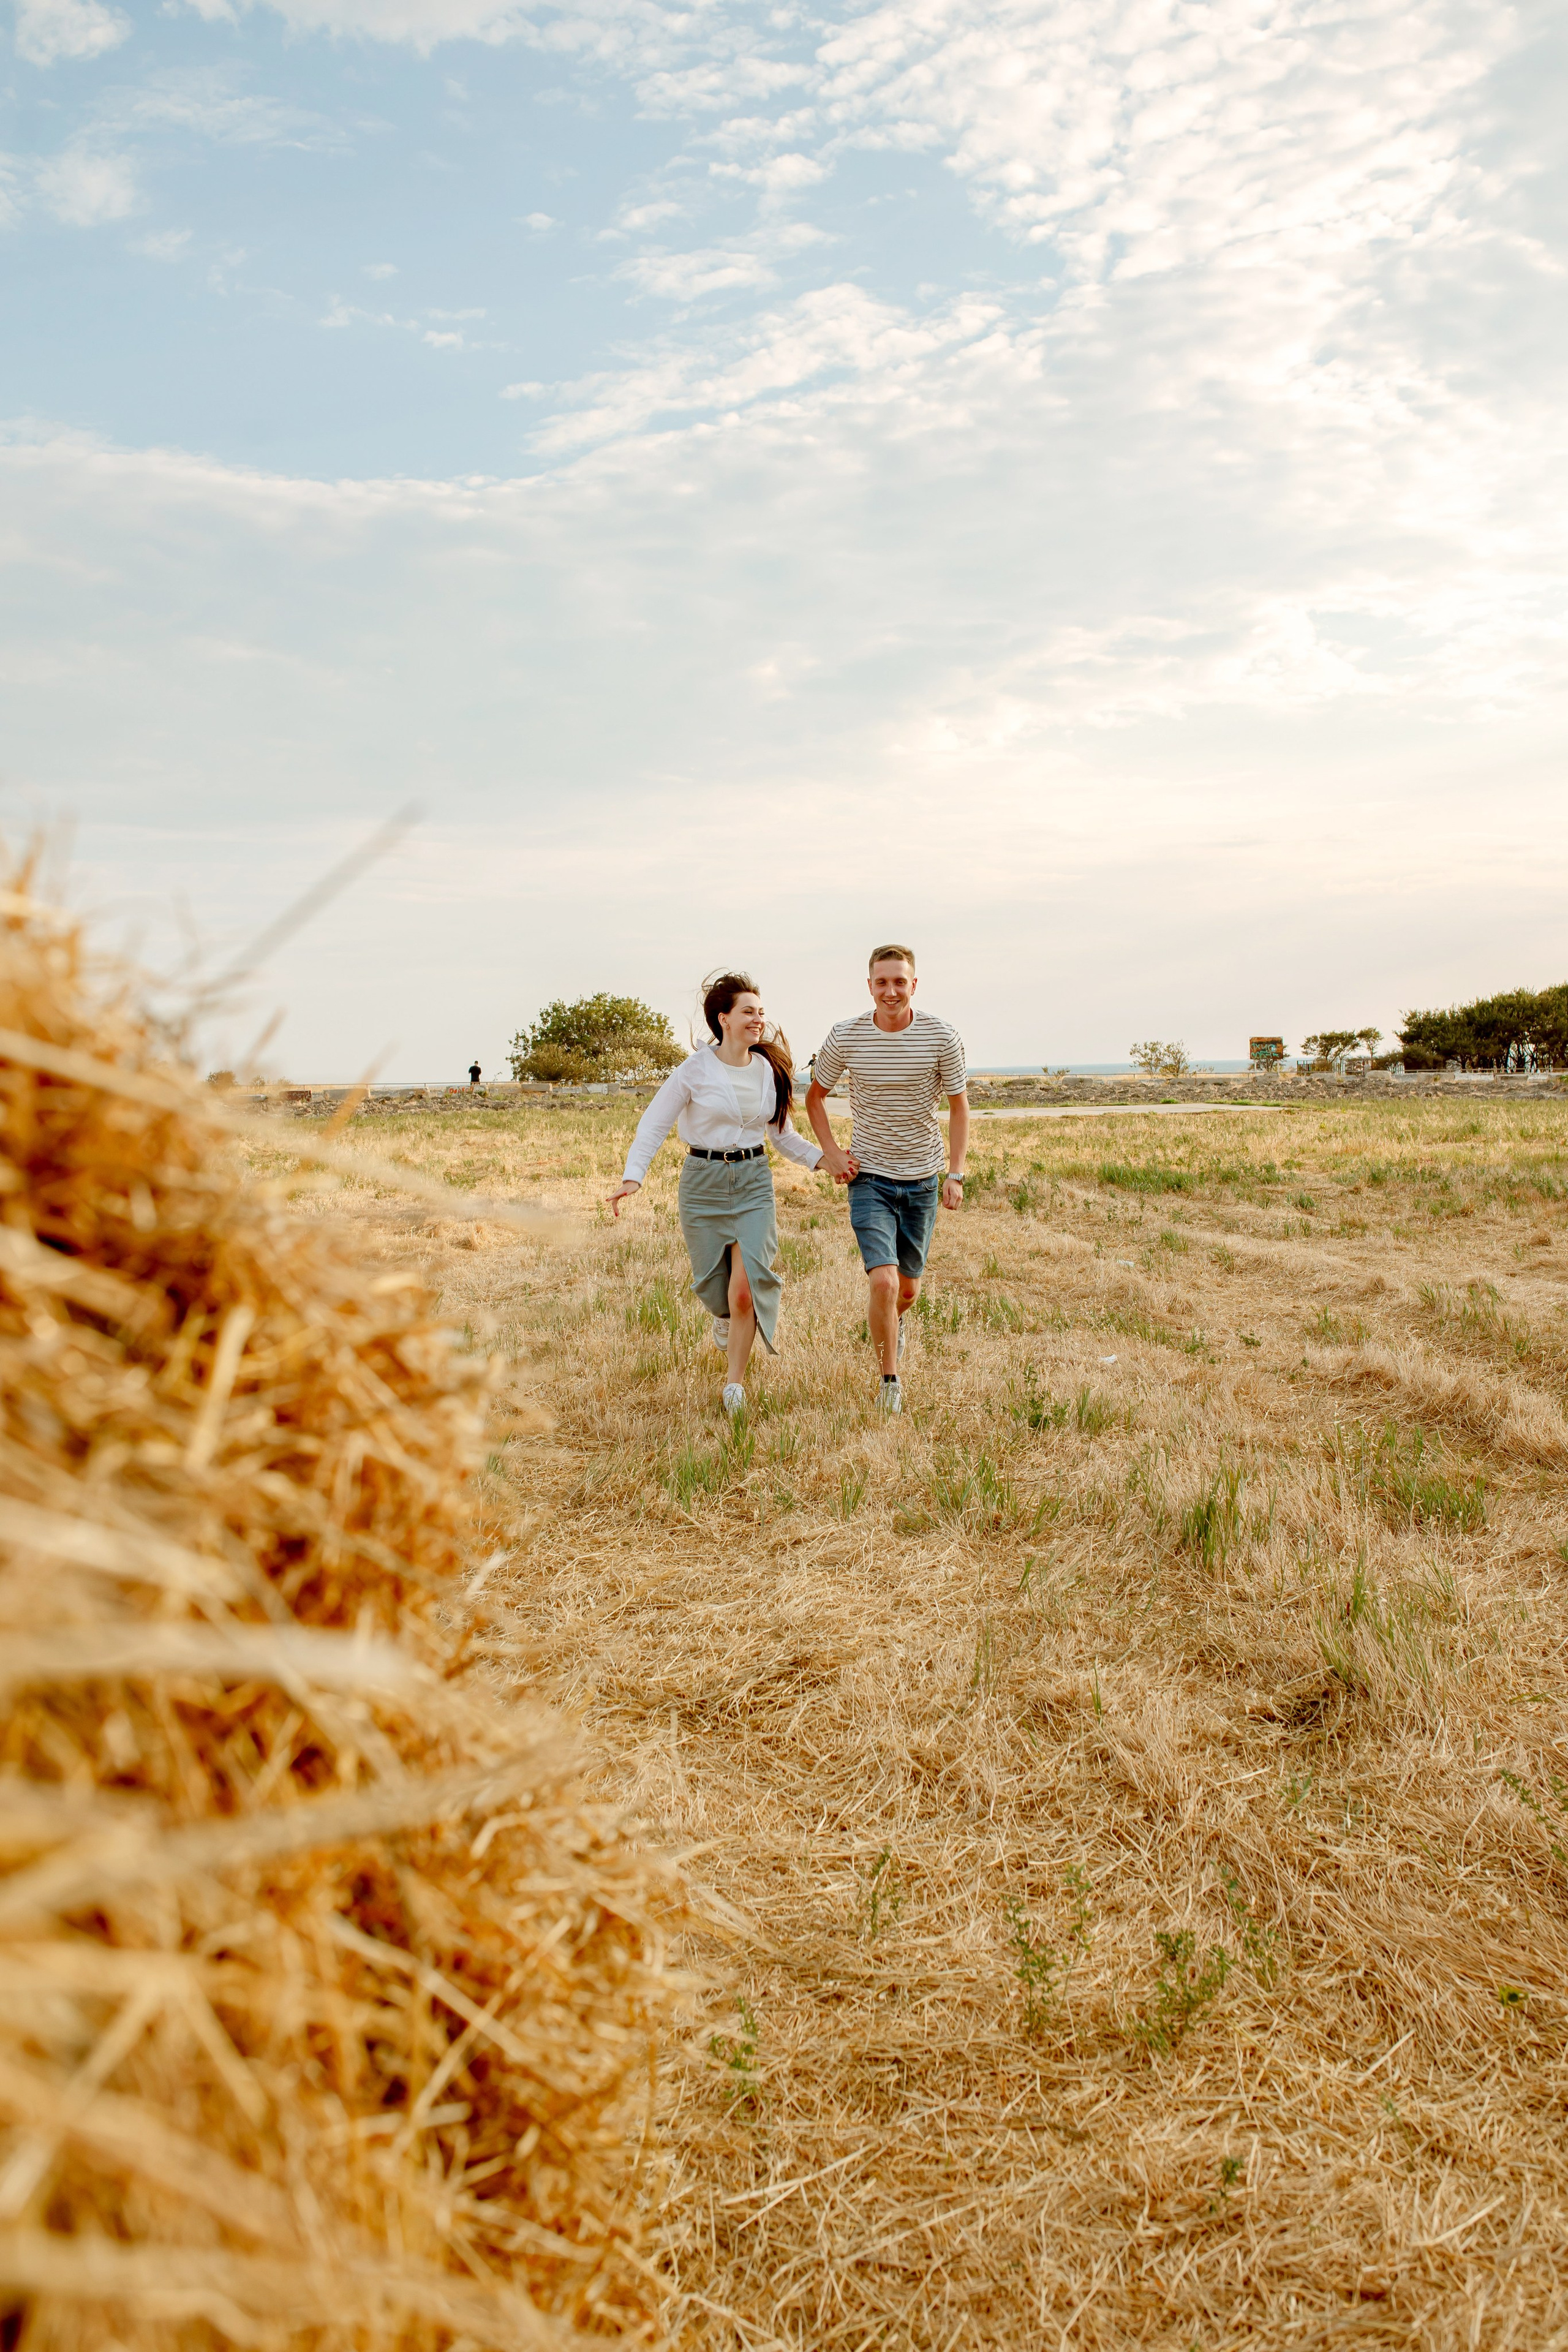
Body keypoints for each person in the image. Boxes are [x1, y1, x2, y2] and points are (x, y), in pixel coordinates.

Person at [608, 973, 826, 1413]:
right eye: (749, 1012)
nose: (758, 1020)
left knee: (746, 1290)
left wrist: (824, 1160)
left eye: (761, 1013)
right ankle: (724, 1318)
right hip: (702, 1183)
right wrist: (634, 1175)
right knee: (714, 1287)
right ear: (723, 1019)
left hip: (753, 1181)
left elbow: (783, 1137)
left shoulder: (769, 1070)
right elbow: (654, 1124)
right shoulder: (695, 1070)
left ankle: (734, 1385)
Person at [806, 943, 968, 1413]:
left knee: (908, 1291)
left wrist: (955, 1174)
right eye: (882, 982)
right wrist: (833, 1154)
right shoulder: (847, 1035)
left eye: (900, 981)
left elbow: (959, 1108)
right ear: (870, 986)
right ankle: (889, 1383)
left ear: (913, 985)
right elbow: (814, 1098)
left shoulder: (942, 1036)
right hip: (870, 1177)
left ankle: (887, 1326)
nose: (891, 991)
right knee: (884, 1284)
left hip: (923, 1180)